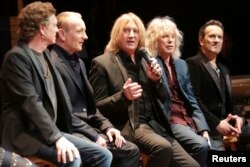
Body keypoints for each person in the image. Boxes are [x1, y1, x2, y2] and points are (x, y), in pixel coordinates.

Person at [0, 2, 112, 167]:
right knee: (72, 158)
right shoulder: (16, 58)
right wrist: (57, 138)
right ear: (43, 29)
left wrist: (88, 134)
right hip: (26, 133)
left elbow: (62, 101)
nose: (56, 30)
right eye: (54, 25)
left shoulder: (45, 54)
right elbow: (31, 103)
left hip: (47, 132)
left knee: (103, 155)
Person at [89, 12, 199, 167]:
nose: (132, 35)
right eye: (126, 30)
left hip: (155, 124)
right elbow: (95, 107)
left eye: (135, 31)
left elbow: (163, 98)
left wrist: (156, 81)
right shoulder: (102, 63)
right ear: (116, 34)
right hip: (130, 125)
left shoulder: (144, 59)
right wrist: (123, 96)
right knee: (162, 148)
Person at [51, 11, 140, 167]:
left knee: (130, 150)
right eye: (80, 31)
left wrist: (108, 127)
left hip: (87, 127)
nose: (85, 36)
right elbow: (64, 113)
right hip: (69, 130)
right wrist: (94, 135)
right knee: (102, 153)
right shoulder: (52, 63)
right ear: (62, 34)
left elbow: (91, 108)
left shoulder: (79, 62)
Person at [145, 16, 210, 166]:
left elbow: (192, 99)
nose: (170, 40)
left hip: (188, 120)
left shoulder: (181, 64)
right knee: (202, 146)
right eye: (165, 36)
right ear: (155, 40)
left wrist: (203, 129)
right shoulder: (150, 64)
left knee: (207, 145)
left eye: (173, 37)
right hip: (169, 121)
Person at [186, 19, 245, 151]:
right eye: (212, 36)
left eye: (220, 37)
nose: (216, 40)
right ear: (201, 40)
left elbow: (229, 103)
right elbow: (193, 100)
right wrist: (216, 123)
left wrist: (238, 118)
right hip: (207, 128)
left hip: (226, 125)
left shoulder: (224, 69)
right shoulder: (193, 64)